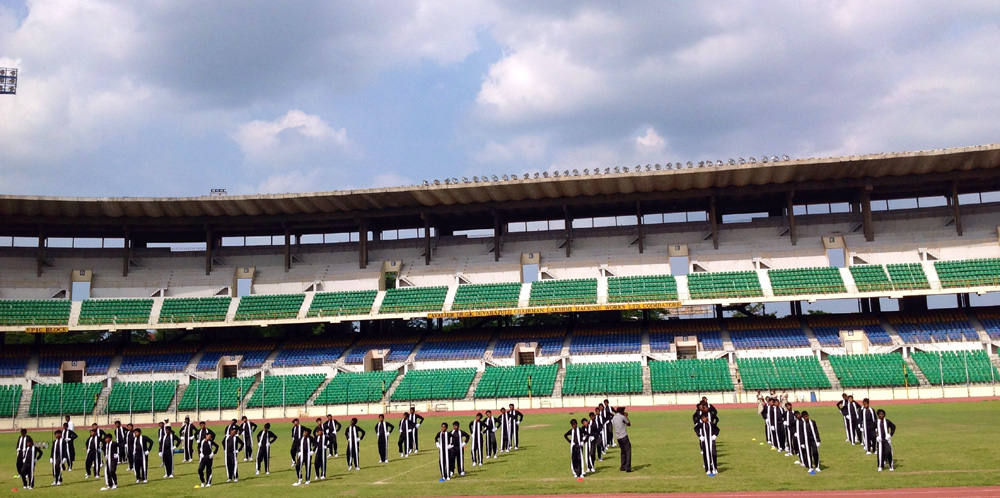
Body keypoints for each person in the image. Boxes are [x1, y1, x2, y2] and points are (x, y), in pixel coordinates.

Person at [612, 406, 632, 472]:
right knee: (628, 451)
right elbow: (629, 424)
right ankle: (628, 467)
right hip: (624, 436)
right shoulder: (622, 417)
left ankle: (622, 466)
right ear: (622, 411)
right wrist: (626, 416)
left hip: (618, 437)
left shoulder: (614, 418)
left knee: (623, 451)